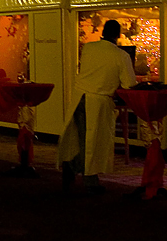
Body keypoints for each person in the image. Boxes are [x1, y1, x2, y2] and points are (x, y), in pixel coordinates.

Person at [57, 19, 137, 194]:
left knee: (81, 137)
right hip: (99, 101)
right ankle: (87, 177)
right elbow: (129, 83)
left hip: (79, 96)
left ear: (103, 31)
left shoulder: (89, 48)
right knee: (93, 141)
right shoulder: (121, 56)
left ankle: (73, 166)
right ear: (118, 35)